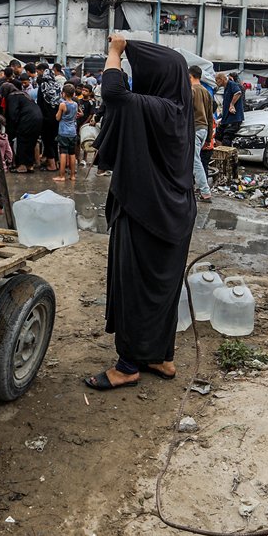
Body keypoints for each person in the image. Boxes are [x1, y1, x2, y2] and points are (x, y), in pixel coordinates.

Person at [85, 34, 195, 391]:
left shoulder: (155, 108)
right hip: (174, 213)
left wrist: (117, 51)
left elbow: (113, 92)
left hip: (146, 213)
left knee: (135, 287)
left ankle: (128, 365)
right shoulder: (177, 109)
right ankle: (160, 356)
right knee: (162, 289)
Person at [0, 81, 42, 173]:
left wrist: (11, 130)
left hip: (27, 120)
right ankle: (29, 165)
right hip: (38, 118)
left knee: (22, 142)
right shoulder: (23, 94)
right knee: (31, 142)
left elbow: (13, 114)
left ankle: (22, 166)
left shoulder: (12, 96)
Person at [190, 66, 214, 202]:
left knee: (195, 161)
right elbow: (210, 116)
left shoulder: (191, 91)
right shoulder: (206, 92)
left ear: (190, 76)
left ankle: (205, 192)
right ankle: (190, 187)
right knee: (193, 160)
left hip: (195, 128)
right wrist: (209, 137)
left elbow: (185, 113)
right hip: (204, 129)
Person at [37, 63, 62, 172]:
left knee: (47, 140)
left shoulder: (42, 86)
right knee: (54, 140)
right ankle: (56, 161)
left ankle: (52, 165)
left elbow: (39, 103)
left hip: (46, 118)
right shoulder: (57, 86)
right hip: (56, 118)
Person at [54, 83, 79, 182]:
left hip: (63, 132)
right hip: (73, 131)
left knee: (63, 153)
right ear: (73, 94)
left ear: (63, 93)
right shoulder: (75, 104)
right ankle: (72, 176)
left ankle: (62, 176)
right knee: (72, 154)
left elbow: (57, 118)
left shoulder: (62, 104)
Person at [215, 71, 244, 145]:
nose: (216, 82)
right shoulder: (226, 88)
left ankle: (227, 155)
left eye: (217, 80)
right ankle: (220, 153)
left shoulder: (232, 84)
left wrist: (232, 105)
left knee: (226, 138)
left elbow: (238, 93)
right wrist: (220, 118)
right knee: (218, 135)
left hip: (234, 119)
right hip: (226, 119)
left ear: (221, 79)